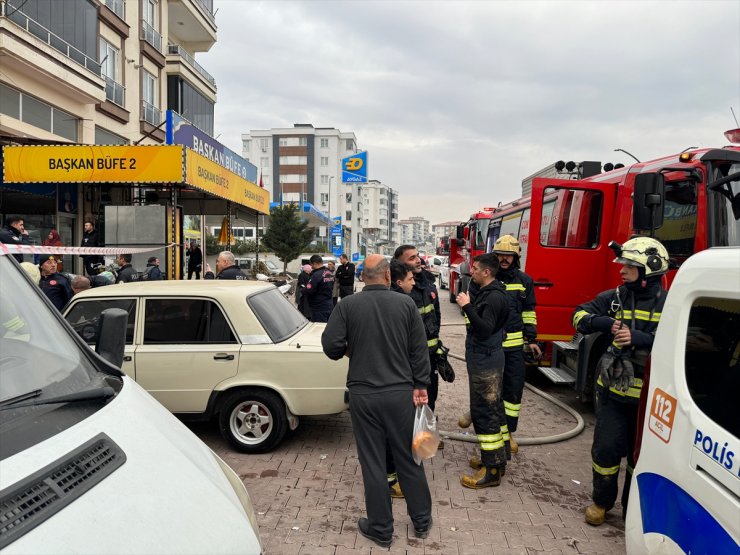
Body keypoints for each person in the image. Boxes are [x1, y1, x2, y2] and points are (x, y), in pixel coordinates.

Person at [321, 254, 433, 549]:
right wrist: (421, 384)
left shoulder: (347, 306)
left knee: (372, 462)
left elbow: (330, 346)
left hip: (364, 395)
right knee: (409, 458)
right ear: (387, 276)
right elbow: (419, 350)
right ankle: (422, 520)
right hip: (400, 394)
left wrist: (352, 350)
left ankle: (381, 529)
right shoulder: (406, 304)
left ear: (362, 278)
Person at [574, 237, 669, 527]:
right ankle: (601, 502)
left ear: (649, 269)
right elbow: (578, 314)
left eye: (629, 266)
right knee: (605, 450)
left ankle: (633, 511)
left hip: (650, 402)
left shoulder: (670, 303)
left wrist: (641, 339)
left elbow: (688, 343)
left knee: (641, 458)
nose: (621, 271)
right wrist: (604, 323)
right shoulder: (614, 297)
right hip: (614, 394)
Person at [456, 253, 510, 488]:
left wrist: (467, 306)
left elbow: (484, 329)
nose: (472, 272)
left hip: (485, 361)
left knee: (484, 413)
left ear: (486, 272)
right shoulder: (490, 292)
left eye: (476, 269)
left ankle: (491, 472)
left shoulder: (493, 298)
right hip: (487, 358)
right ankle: (496, 460)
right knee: (493, 409)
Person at [491, 235, 540, 456]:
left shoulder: (524, 281)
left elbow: (529, 312)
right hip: (492, 348)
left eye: (508, 255)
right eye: (500, 254)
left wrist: (531, 339)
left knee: (513, 393)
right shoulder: (488, 279)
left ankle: (509, 433)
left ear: (515, 257)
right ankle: (493, 433)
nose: (504, 259)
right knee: (491, 392)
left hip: (515, 349)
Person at [394, 245, 442, 413]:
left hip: (430, 357)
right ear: (399, 263)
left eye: (417, 256)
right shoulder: (397, 291)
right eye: (412, 258)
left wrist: (436, 348)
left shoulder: (428, 283)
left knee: (430, 400)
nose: (418, 260)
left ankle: (426, 436)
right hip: (407, 361)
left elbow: (436, 316)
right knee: (408, 405)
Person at [304, 255, 335, 322]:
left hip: (319, 308)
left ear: (315, 264)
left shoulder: (316, 275)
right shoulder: (330, 273)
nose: (311, 267)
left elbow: (309, 290)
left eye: (311, 265)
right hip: (329, 306)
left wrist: (303, 289)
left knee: (319, 329)